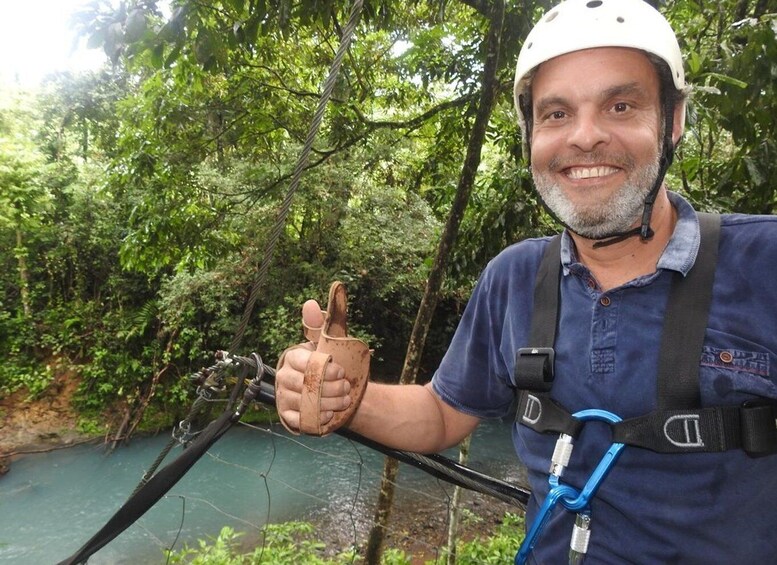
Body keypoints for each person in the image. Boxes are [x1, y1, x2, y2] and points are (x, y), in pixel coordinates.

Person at [275, 0, 777, 562]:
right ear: (531, 136)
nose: (584, 137)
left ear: (673, 119)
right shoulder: (514, 278)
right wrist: (349, 397)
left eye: (620, 105)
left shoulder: (762, 263)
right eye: (556, 114)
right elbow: (442, 413)